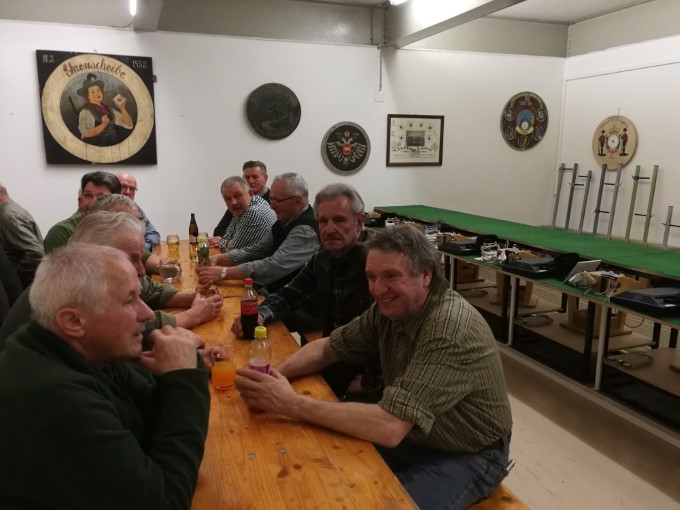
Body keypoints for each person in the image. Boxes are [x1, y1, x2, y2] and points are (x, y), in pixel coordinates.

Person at [235, 225, 513, 509]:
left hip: (468, 453)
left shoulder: (449, 328)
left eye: (391, 276)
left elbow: (390, 426)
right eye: (371, 277)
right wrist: (272, 378)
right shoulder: (391, 310)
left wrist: (289, 403)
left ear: (426, 274)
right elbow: (328, 347)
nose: (377, 289)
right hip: (416, 435)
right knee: (313, 457)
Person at [0, 243, 210, 508]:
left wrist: (179, 368)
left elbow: (149, 423)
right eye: (129, 301)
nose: (147, 313)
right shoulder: (57, 402)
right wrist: (184, 378)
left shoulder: (85, 350)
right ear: (74, 321)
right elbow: (166, 502)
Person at [230, 183, 375, 397]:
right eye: (323, 221)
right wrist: (260, 314)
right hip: (335, 354)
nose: (329, 229)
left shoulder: (376, 263)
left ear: (359, 221)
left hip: (367, 370)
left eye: (339, 220)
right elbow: (289, 294)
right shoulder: (323, 258)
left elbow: (393, 331)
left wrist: (374, 378)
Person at [198, 173, 320, 295]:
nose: (271, 206)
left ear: (297, 201)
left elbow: (274, 266)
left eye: (277, 200)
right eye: (271, 199)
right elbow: (256, 251)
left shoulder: (305, 230)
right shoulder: (283, 222)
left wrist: (224, 273)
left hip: (293, 300)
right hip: (276, 293)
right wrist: (217, 259)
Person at [43, 171, 121, 253]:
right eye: (88, 195)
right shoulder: (62, 232)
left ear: (117, 202)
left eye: (101, 197)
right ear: (80, 201)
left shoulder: (123, 228)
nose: (93, 202)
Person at [212, 160, 271, 243]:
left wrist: (227, 242)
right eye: (247, 177)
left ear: (265, 178)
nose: (250, 181)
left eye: (255, 177)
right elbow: (219, 230)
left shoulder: (273, 201)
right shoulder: (237, 202)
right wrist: (229, 241)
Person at [214, 176, 276, 253]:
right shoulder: (243, 207)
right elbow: (225, 236)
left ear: (250, 193)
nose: (233, 202)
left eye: (237, 196)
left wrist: (226, 243)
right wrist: (228, 242)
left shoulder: (253, 211)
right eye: (228, 199)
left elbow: (232, 253)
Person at [0, 182, 44, 287]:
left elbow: (35, 253)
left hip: (23, 288)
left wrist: (12, 278)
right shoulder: (9, 212)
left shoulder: (9, 216)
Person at [77, 73, 134, 147]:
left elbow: (129, 124)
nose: (97, 93)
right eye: (93, 92)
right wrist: (103, 125)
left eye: (98, 90)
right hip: (97, 148)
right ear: (88, 96)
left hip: (114, 145)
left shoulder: (108, 108)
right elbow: (86, 134)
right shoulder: (85, 111)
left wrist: (123, 109)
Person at [116, 172, 161, 250]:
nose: (128, 192)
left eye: (132, 189)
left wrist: (143, 247)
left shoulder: (135, 208)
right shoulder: (103, 210)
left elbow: (153, 234)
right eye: (123, 186)